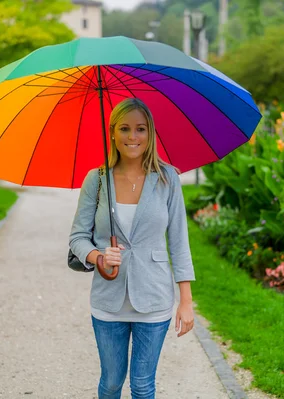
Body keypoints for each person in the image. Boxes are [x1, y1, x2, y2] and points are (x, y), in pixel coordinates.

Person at [69, 98, 195, 399]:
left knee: (142, 385)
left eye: (140, 129)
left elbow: (178, 242)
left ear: (150, 133)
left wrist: (186, 301)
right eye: (124, 128)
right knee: (112, 382)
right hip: (108, 301)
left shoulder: (167, 179)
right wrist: (97, 255)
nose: (132, 137)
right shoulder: (97, 180)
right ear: (112, 133)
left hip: (154, 298)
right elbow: (77, 238)